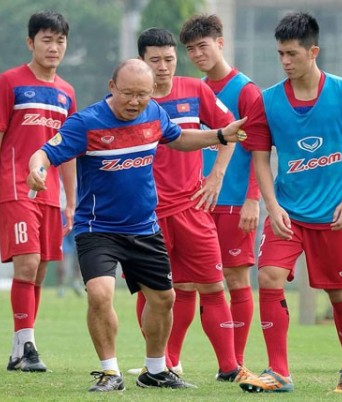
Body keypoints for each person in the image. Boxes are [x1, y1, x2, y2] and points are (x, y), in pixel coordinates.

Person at [27, 58, 247, 392]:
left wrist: (217, 135)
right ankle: (109, 372)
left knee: (164, 299)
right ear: (111, 87)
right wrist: (37, 170)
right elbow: (44, 153)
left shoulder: (154, 113)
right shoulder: (86, 123)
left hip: (144, 227)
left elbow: (177, 138)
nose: (135, 102)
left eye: (142, 95)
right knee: (100, 294)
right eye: (128, 93)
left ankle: (156, 371)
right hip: (97, 228)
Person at [237, 12, 342, 393]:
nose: (285, 61)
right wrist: (272, 204)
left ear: (313, 51)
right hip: (287, 212)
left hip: (334, 217)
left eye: (292, 54)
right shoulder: (266, 101)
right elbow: (260, 156)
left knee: (338, 293)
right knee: (267, 276)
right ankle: (278, 372)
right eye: (280, 54)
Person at [128, 27, 251, 382]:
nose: (164, 67)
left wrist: (217, 177)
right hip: (147, 215)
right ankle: (159, 362)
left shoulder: (195, 90)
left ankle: (229, 367)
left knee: (213, 286)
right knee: (154, 290)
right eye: (155, 60)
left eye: (169, 59)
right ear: (141, 62)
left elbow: (231, 130)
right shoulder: (132, 102)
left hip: (192, 209)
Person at [0, 10, 76, 372]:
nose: (54, 47)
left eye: (60, 40)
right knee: (28, 263)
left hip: (51, 195)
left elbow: (68, 149)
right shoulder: (10, 81)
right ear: (30, 42)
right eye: (47, 40)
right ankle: (27, 346)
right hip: (15, 187)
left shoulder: (67, 92)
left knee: (39, 272)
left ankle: (20, 348)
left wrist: (71, 199)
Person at [180, 14, 263, 369]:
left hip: (233, 200)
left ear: (220, 43)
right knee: (186, 281)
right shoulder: (196, 90)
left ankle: (236, 361)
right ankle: (169, 361)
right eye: (191, 49)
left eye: (203, 46)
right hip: (196, 201)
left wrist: (253, 199)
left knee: (234, 277)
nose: (198, 54)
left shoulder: (246, 90)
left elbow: (261, 148)